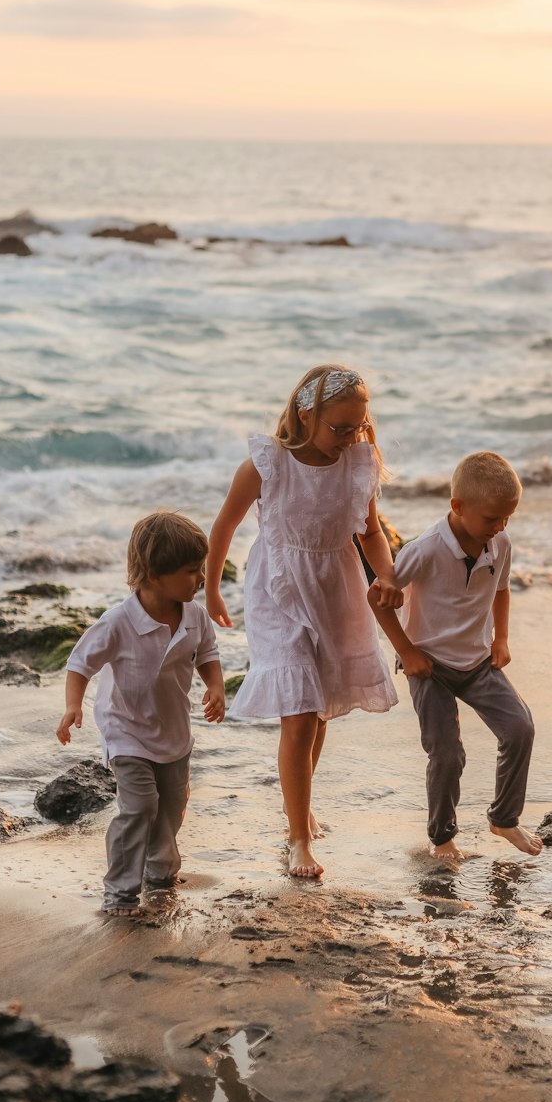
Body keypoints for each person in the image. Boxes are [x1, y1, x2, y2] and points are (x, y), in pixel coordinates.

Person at [205, 364, 400, 879]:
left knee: (318, 710)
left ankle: (301, 808)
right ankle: (297, 839)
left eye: (357, 427)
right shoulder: (267, 463)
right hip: (279, 590)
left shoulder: (357, 464)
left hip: (336, 587)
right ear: (304, 413)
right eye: (339, 428)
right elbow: (224, 525)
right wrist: (209, 589)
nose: (349, 437)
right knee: (299, 707)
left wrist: (387, 575)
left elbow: (371, 530)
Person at [369, 450, 542, 865]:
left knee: (520, 728)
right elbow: (377, 599)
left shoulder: (499, 542)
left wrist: (501, 638)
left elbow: (501, 589)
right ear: (458, 507)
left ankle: (504, 818)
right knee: (447, 752)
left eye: (507, 518)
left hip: (478, 661)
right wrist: (406, 652)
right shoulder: (425, 549)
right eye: (490, 519)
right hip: (429, 666)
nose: (499, 527)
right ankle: (442, 836)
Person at [55, 510, 226, 916]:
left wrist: (215, 686)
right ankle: (120, 891)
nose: (201, 579)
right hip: (125, 731)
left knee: (172, 807)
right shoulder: (117, 622)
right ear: (153, 576)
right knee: (139, 808)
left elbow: (208, 654)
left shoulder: (195, 616)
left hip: (173, 732)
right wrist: (73, 705)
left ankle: (161, 871)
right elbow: (80, 663)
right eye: (191, 571)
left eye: (200, 569)